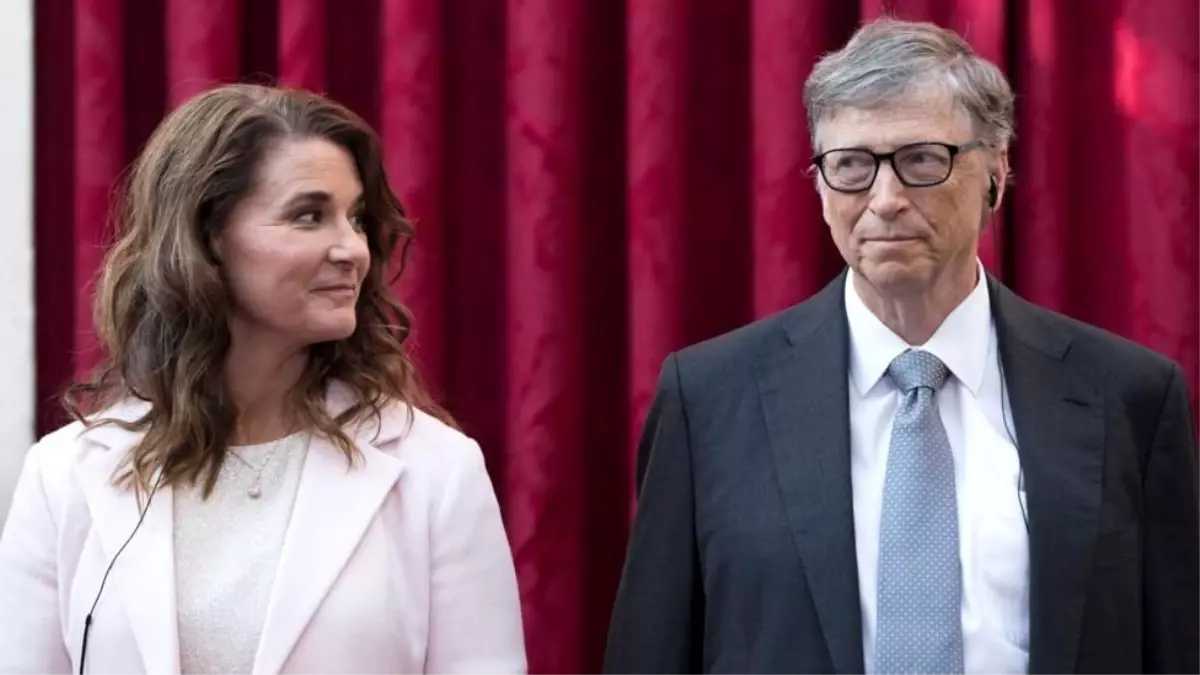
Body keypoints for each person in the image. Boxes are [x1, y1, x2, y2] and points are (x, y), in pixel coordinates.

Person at [604, 18, 1200, 675]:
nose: (885, 200)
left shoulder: (1128, 398)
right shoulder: (709, 401)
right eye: (852, 165)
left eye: (921, 160)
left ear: (996, 171)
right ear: (820, 185)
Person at [0, 84, 526, 674]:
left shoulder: (438, 471)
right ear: (208, 237)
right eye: (310, 216)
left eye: (356, 218)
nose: (353, 249)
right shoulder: (64, 475)